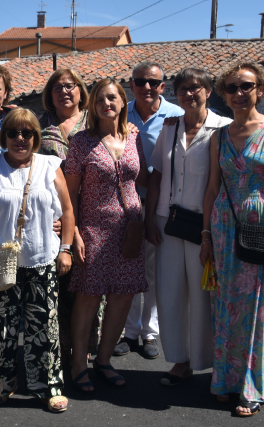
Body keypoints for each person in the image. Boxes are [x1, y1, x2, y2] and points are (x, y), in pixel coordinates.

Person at [200, 62, 264, 417]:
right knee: (226, 307)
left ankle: (254, 384)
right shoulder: (219, 137)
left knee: (256, 306)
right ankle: (225, 379)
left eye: (247, 86)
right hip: (225, 232)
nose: (239, 93)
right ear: (223, 94)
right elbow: (212, 188)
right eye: (231, 87)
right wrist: (206, 234)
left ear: (261, 89)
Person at [0, 107, 73, 412]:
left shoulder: (50, 165)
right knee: (2, 328)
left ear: (36, 136)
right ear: (4, 136)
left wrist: (65, 249)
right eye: (12, 132)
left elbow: (66, 211)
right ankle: (3, 383)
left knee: (45, 327)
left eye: (27, 133)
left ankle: (48, 385)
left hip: (41, 259)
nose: (20, 138)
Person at [145, 68, 233, 385]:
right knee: (169, 293)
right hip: (167, 220)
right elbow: (155, 176)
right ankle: (180, 361)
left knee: (202, 294)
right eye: (182, 89)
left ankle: (205, 361)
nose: (188, 93)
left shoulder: (223, 128)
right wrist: (147, 218)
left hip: (204, 223)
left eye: (195, 88)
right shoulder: (170, 128)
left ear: (209, 91)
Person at [65, 78, 149, 392]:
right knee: (87, 299)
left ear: (122, 102)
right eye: (100, 99)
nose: (106, 104)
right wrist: (74, 233)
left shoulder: (133, 137)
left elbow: (142, 180)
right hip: (93, 232)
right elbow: (69, 194)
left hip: (129, 232)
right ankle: (78, 365)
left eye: (112, 98)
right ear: (92, 105)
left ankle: (103, 361)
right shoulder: (81, 142)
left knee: (121, 298)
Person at [114, 61, 184, 360]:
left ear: (162, 87)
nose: (146, 87)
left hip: (161, 203)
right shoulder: (119, 113)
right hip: (122, 203)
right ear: (131, 84)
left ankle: (149, 331)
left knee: (154, 270)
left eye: (153, 82)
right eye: (140, 81)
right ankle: (128, 331)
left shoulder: (176, 115)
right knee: (128, 266)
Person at [37, 68, 99, 362]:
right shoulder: (40, 126)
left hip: (92, 215)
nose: (64, 91)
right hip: (55, 217)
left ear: (80, 91)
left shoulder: (95, 121)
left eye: (70, 86)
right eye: (58, 87)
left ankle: (86, 347)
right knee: (60, 284)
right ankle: (60, 348)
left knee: (87, 285)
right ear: (49, 95)